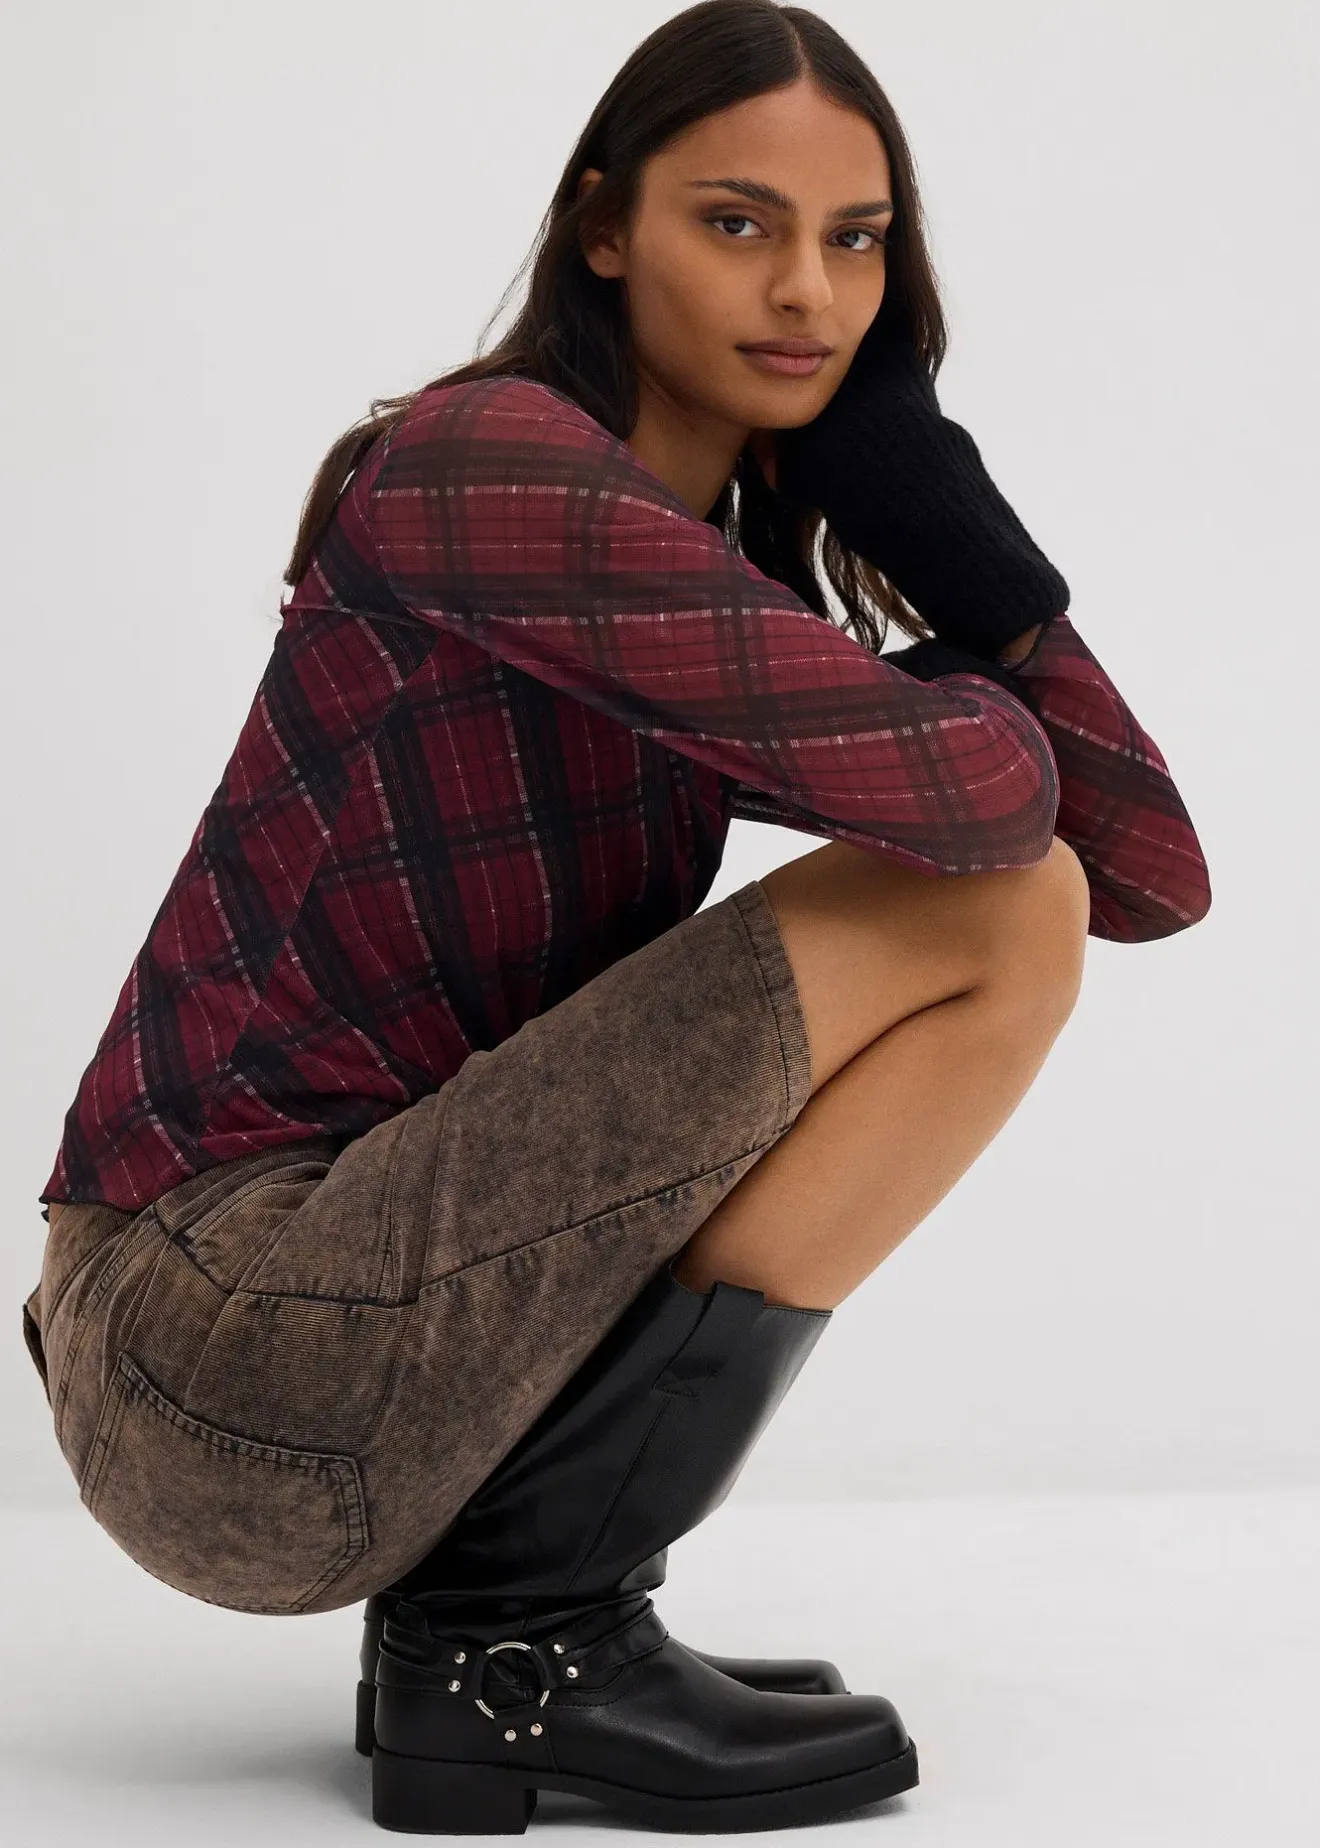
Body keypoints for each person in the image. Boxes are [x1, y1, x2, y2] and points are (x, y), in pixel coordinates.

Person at [22, 0, 1211, 1834]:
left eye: (857, 239)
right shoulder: (489, 468)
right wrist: (943, 579)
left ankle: (526, 1626)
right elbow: (998, 818)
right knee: (992, 905)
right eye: (737, 223)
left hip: (356, 1340)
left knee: (1018, 900)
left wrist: (949, 529)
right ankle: (524, 1643)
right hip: (221, 1338)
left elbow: (1153, 874)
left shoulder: (702, 578)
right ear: (603, 228)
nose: (808, 292)